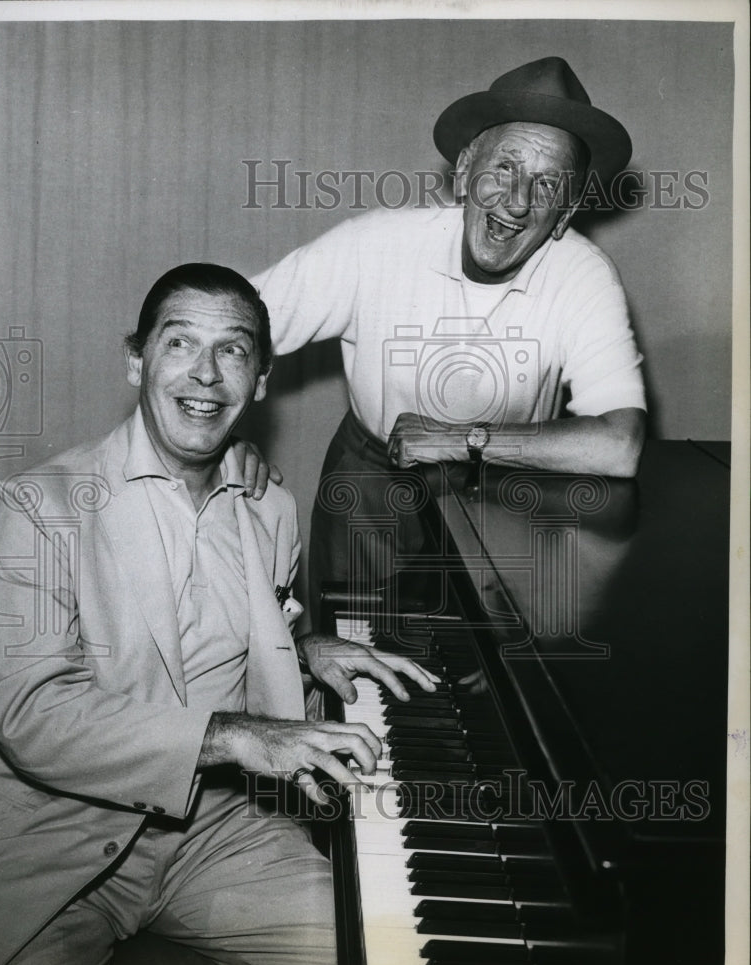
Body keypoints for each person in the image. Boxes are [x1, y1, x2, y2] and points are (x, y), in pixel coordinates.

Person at [0, 263, 435, 965]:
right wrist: (231, 737)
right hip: (59, 844)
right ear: (137, 361)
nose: (205, 374)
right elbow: (31, 715)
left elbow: (249, 647)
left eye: (232, 350)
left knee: (382, 958)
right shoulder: (36, 510)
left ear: (259, 380)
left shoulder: (270, 508)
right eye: (179, 344)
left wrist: (305, 647)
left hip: (218, 832)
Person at [251, 56, 647, 625]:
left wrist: (464, 439)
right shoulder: (376, 243)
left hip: (508, 500)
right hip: (371, 490)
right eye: (504, 168)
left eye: (547, 184)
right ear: (464, 170)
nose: (516, 202)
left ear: (567, 211)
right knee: (356, 665)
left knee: (486, 689)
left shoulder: (585, 274)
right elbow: (230, 322)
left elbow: (620, 446)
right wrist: (217, 443)